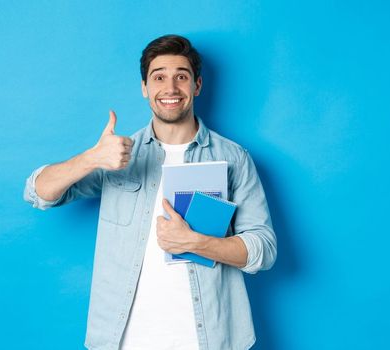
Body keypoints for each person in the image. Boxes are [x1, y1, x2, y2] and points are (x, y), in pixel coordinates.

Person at [23, 34, 277, 350]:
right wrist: (92, 158)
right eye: (159, 77)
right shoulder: (116, 154)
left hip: (210, 338)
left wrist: (196, 242)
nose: (170, 88)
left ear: (196, 86)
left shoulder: (233, 158)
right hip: (123, 340)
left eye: (181, 77)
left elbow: (263, 249)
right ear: (145, 88)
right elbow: (38, 191)